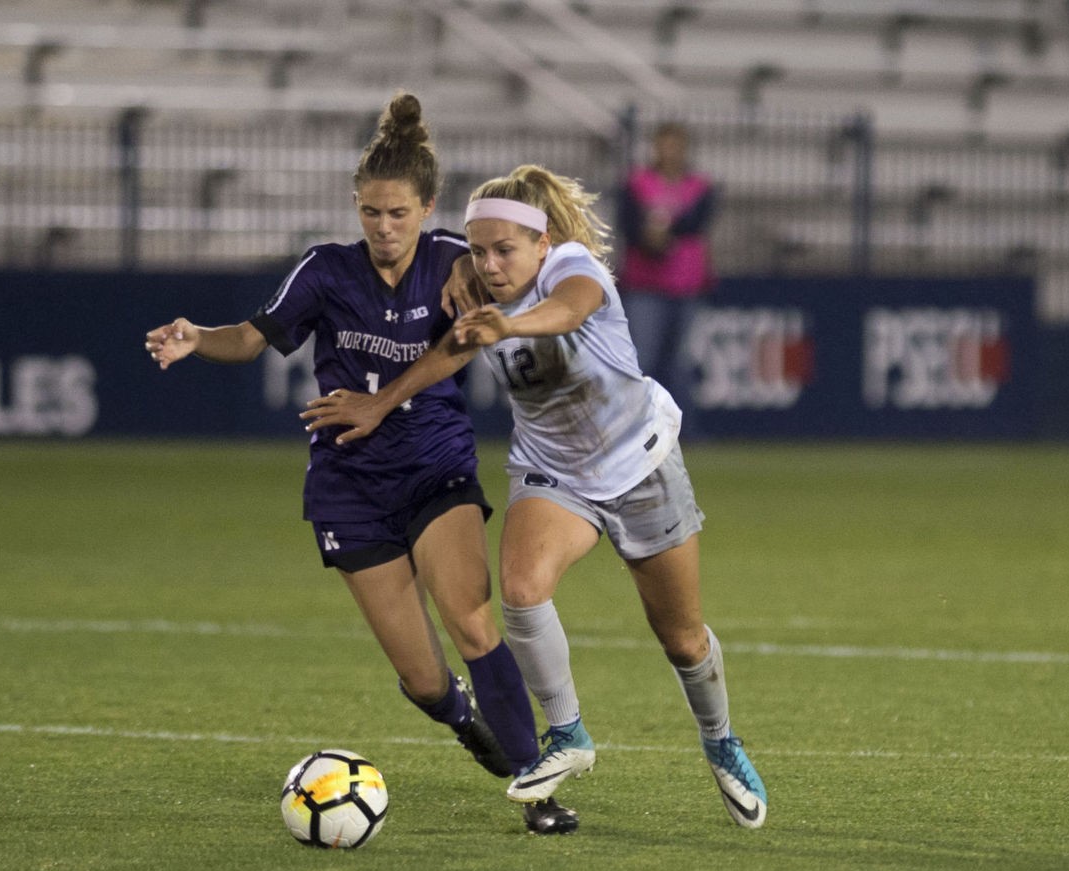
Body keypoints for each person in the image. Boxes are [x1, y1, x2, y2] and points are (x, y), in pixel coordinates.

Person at [142, 94, 578, 836]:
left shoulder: (456, 263)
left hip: (434, 463)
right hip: (348, 483)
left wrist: (474, 292)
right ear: (356, 207)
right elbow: (253, 337)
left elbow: (495, 314)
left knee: (471, 623)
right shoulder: (324, 270)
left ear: (428, 206)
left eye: (399, 214)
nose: (383, 228)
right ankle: (465, 719)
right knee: (423, 677)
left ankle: (536, 787)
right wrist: (197, 336)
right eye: (371, 213)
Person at [303, 164, 768, 830]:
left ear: (540, 241)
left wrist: (509, 326)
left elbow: (571, 308)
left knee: (682, 637)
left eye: (504, 250)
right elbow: (451, 351)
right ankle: (568, 734)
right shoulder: (476, 286)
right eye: (479, 250)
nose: (490, 264)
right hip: (555, 472)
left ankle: (722, 741)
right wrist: (381, 402)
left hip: (639, 464)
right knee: (521, 589)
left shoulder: (570, 267)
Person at [617, 121, 717, 408]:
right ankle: (636, 425)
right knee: (642, 359)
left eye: (676, 145)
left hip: (687, 285)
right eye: (665, 144)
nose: (670, 151)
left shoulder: (699, 186)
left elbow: (696, 223)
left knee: (681, 362)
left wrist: (665, 231)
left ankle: (682, 429)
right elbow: (629, 225)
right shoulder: (636, 183)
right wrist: (650, 238)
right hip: (644, 285)